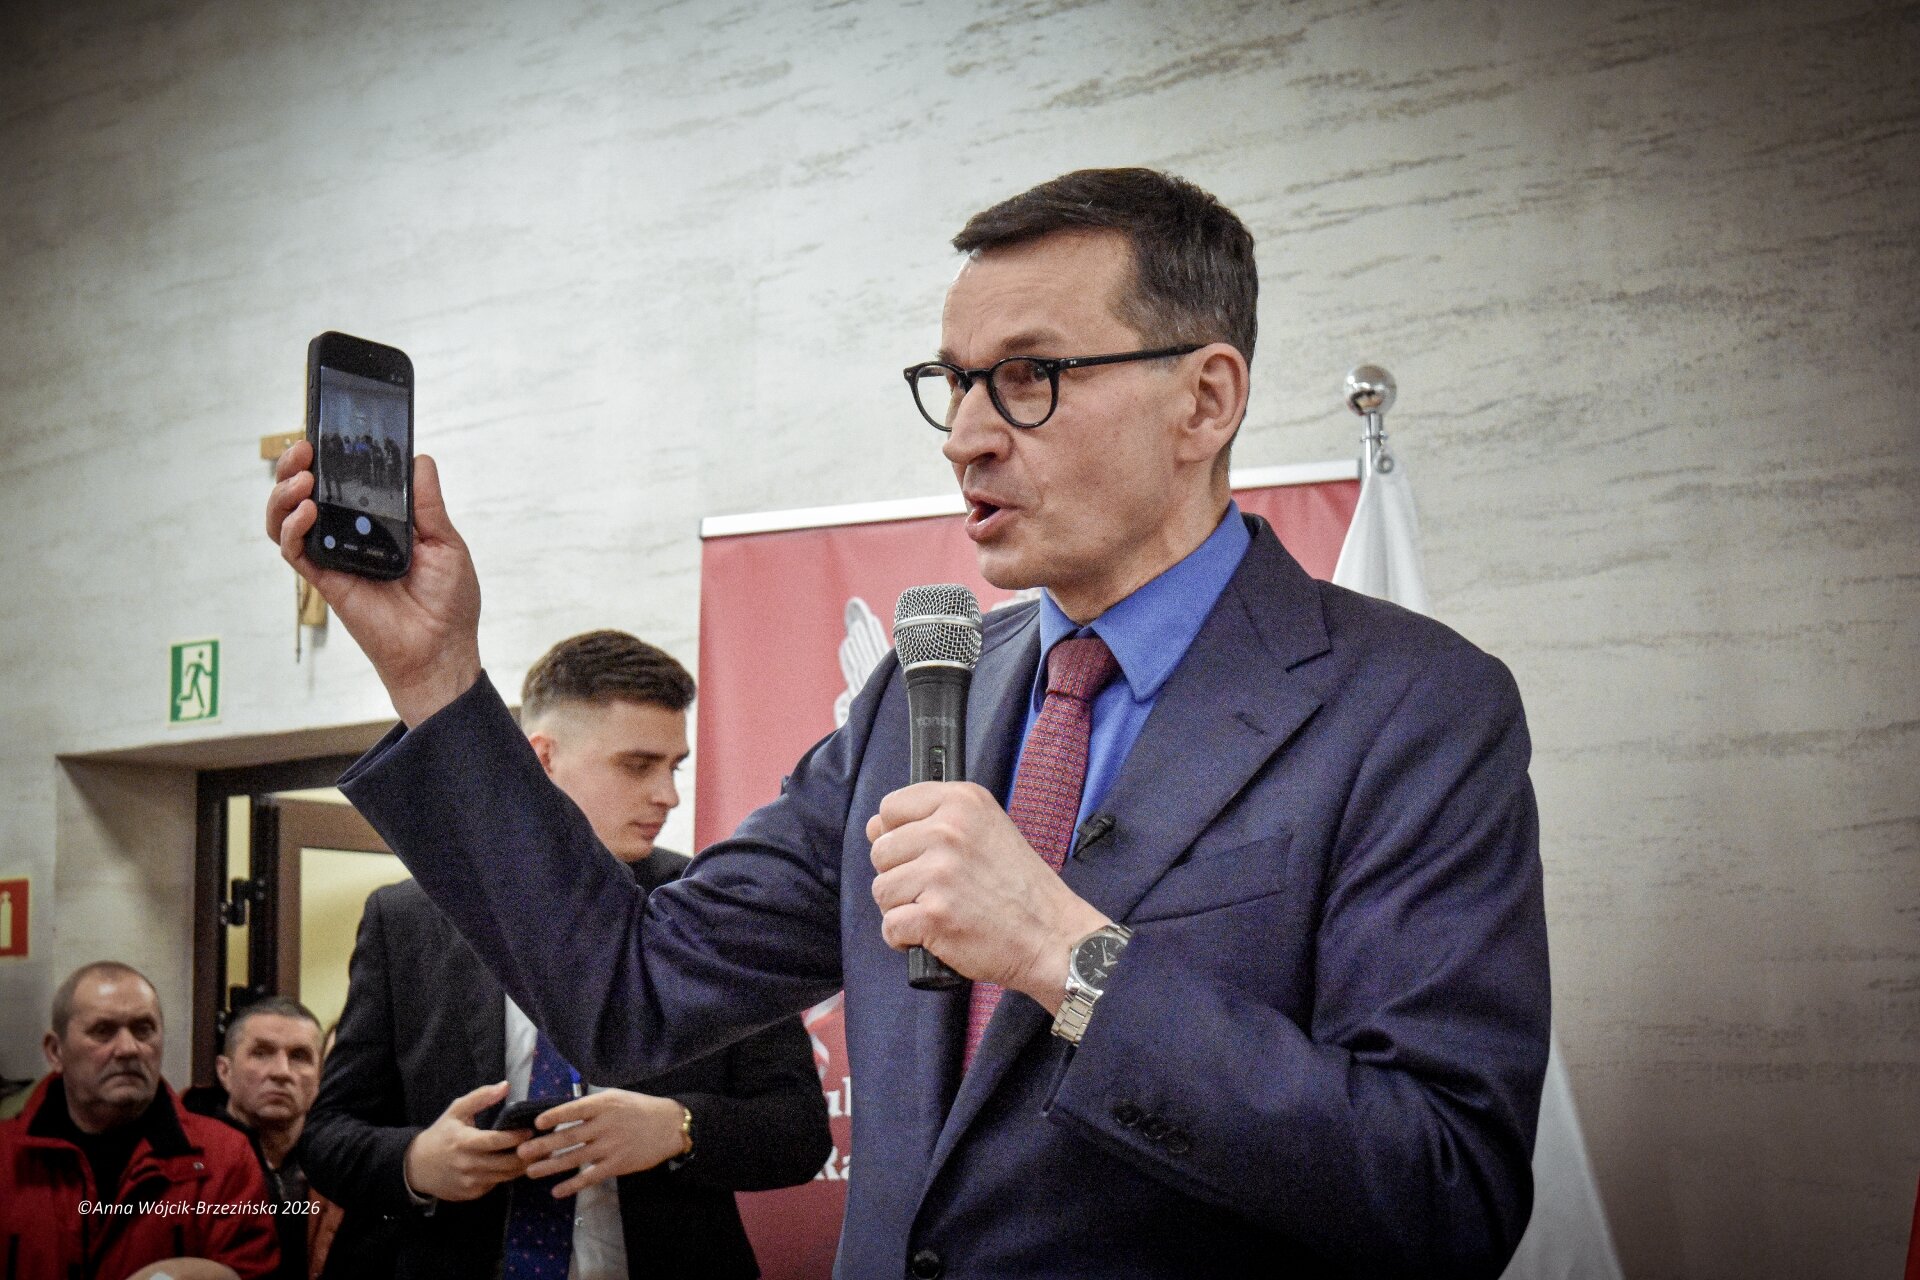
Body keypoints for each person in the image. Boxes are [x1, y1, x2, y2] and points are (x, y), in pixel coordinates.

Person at [267, 167, 1550, 1278]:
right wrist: (437, 673)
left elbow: (1444, 1191)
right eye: (955, 382)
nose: (969, 437)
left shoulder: (1409, 708)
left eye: (1030, 377)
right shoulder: (919, 692)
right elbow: (631, 989)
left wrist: (1067, 955)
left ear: (1205, 399)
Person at [301, 629, 831, 1280]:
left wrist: (678, 1127)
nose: (667, 795)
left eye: (674, 767)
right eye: (638, 765)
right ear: (542, 759)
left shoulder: (712, 909)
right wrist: (417, 1163)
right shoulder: (406, 921)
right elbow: (327, 1136)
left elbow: (800, 1132)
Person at [0, 961, 280, 1279]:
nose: (128, 1048)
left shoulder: (223, 1159)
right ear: (55, 1051)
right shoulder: (6, 1158)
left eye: (143, 1030)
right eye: (103, 1031)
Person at [186, 996, 327, 1280]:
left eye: (299, 1056)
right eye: (261, 1053)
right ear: (224, 1071)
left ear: (321, 1077)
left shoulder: (336, 1165)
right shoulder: (185, 1160)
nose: (281, 1072)